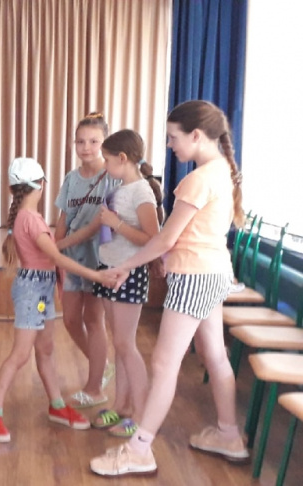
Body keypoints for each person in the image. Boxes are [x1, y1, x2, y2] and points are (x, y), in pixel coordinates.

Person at [90, 100, 248, 476]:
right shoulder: (222, 170)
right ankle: (229, 435)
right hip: (213, 272)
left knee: (164, 363)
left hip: (194, 276)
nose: (170, 145)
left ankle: (139, 449)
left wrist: (126, 266)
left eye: (174, 137)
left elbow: (164, 238)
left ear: (197, 135)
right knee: (214, 354)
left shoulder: (198, 179)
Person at [0, 157, 109, 443]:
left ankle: (57, 405)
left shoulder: (25, 217)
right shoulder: (31, 220)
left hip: (41, 288)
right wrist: (96, 275)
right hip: (33, 291)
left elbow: (51, 255)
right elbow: (56, 257)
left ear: (11, 189)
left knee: (46, 349)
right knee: (20, 355)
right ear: (41, 185)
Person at [89, 130, 163, 438]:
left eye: (107, 160)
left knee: (125, 344)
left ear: (122, 158)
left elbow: (153, 238)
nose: (104, 166)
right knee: (119, 343)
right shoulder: (122, 187)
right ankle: (120, 406)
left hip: (128, 274)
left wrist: (116, 224)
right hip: (109, 269)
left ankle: (140, 415)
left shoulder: (142, 192)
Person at [54, 113, 118, 408]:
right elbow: (63, 219)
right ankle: (101, 365)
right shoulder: (71, 178)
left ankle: (95, 388)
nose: (86, 147)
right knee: (69, 319)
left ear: (105, 143)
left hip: (99, 259)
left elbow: (96, 226)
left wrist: (58, 247)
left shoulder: (112, 177)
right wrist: (56, 252)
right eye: (80, 141)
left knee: (93, 320)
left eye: (93, 141)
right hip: (72, 258)